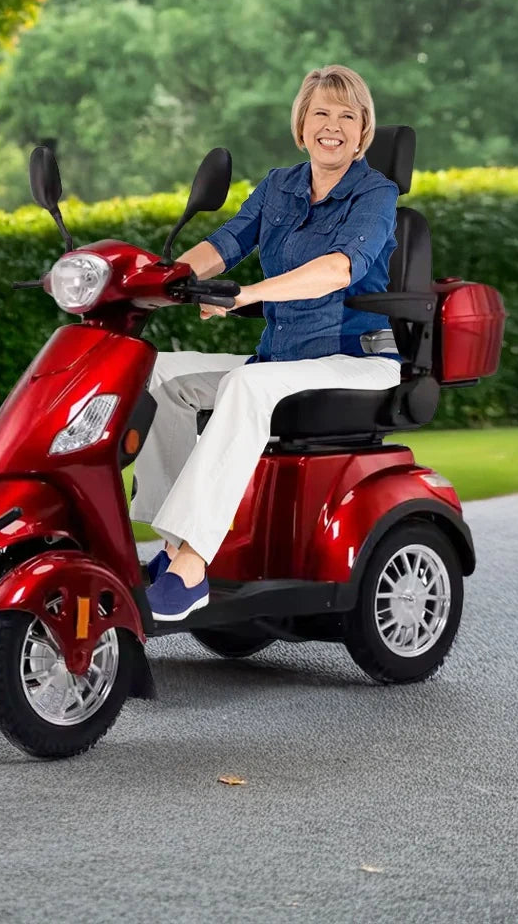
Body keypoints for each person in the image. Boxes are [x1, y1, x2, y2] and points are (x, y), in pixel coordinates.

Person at [132, 64, 404, 622]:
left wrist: (246, 293)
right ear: (302, 125)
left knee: (248, 384)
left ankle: (192, 565)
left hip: (355, 358)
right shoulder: (279, 184)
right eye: (321, 114)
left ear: (363, 131)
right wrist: (154, 283)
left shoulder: (376, 193)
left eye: (347, 116)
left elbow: (337, 269)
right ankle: (173, 546)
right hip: (287, 357)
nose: (333, 126)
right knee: (156, 373)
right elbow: (225, 243)